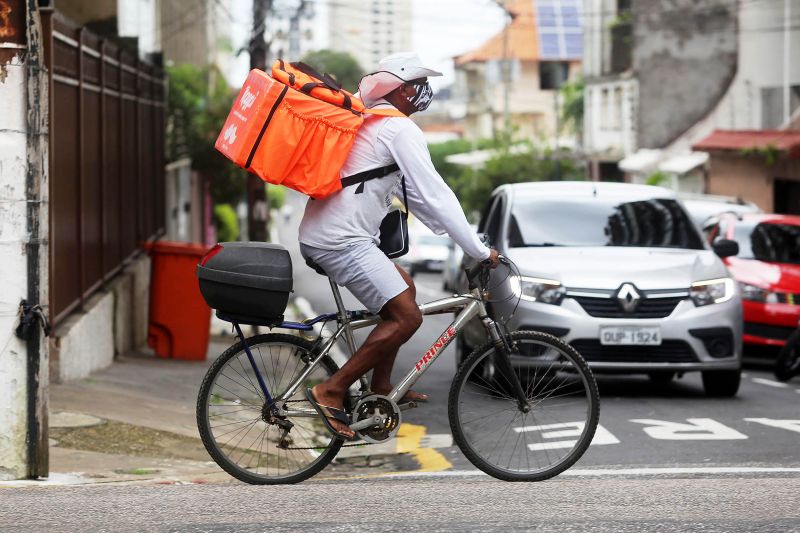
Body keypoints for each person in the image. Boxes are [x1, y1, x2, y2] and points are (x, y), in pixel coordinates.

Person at [299, 52, 499, 439]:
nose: (424, 92)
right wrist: (478, 251)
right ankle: (331, 389)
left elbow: (421, 201)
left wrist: (461, 238)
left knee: (403, 286)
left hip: (332, 235)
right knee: (408, 317)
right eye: (418, 85)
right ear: (401, 90)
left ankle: (380, 390)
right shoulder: (399, 130)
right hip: (341, 240)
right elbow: (436, 194)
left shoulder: (374, 120)